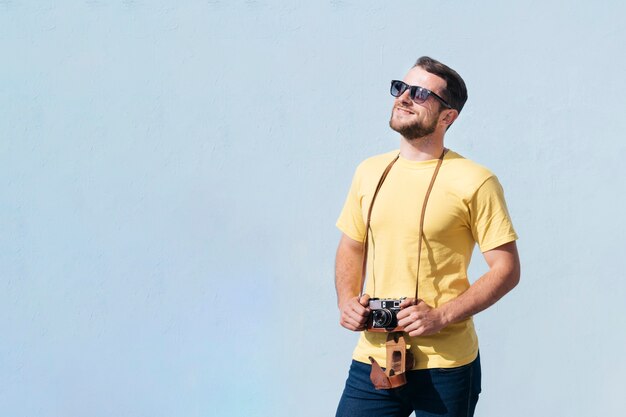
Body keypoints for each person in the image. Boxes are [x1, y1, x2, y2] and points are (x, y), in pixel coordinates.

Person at [334, 56, 521, 417]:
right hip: (374, 354)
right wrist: (347, 301)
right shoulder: (369, 171)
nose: (404, 97)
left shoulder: (475, 180)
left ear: (447, 116)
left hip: (447, 365)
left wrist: (441, 316)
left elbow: (506, 269)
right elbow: (351, 245)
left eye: (419, 93)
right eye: (400, 88)